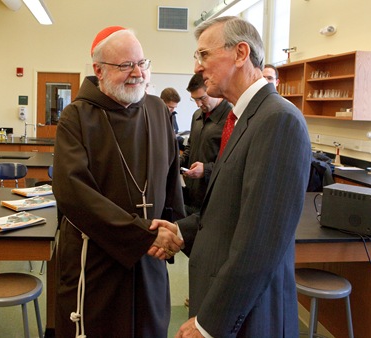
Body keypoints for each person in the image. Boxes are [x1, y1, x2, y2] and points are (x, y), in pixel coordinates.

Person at [149, 16, 312, 337]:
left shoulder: (279, 120)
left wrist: (211, 323)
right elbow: (230, 207)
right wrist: (182, 231)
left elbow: (260, 242)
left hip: (247, 315)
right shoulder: (243, 117)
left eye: (204, 55)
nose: (197, 66)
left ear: (240, 53)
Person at [52, 26, 185, 338]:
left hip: (151, 255)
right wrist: (140, 235)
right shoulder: (77, 117)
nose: (137, 73)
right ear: (99, 70)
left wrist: (175, 229)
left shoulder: (156, 109)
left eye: (142, 63)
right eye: (126, 65)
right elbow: (73, 191)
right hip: (98, 258)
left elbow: (170, 177)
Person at [181, 73, 232, 215]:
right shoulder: (197, 116)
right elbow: (190, 147)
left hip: (213, 197)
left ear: (213, 90)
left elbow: (233, 163)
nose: (198, 104)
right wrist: (177, 162)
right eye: (194, 100)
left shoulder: (232, 118)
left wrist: (206, 170)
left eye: (202, 98)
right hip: (191, 193)